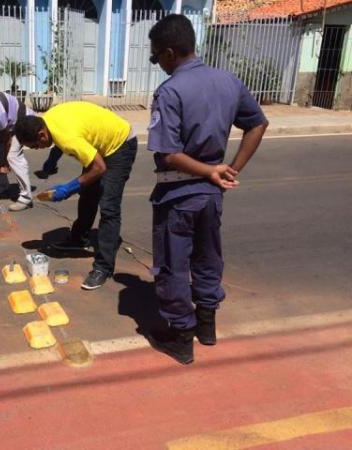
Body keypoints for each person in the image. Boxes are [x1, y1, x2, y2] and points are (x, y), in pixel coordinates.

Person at [146, 14, 268, 364]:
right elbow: (257, 124)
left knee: (173, 263)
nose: (159, 65)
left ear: (170, 52)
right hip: (211, 194)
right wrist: (229, 170)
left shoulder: (170, 91)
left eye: (157, 57)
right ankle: (207, 325)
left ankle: (181, 337)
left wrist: (213, 171)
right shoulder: (227, 80)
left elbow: (169, 154)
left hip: (178, 195)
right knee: (207, 257)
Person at [15, 102, 137, 290]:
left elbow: (99, 168)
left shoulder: (67, 137)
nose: (37, 149)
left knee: (108, 206)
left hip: (120, 145)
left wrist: (69, 188)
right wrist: (51, 161)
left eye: (35, 146)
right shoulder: (47, 121)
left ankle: (103, 267)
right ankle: (78, 239)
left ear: (41, 134)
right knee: (88, 195)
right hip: (97, 145)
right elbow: (58, 142)